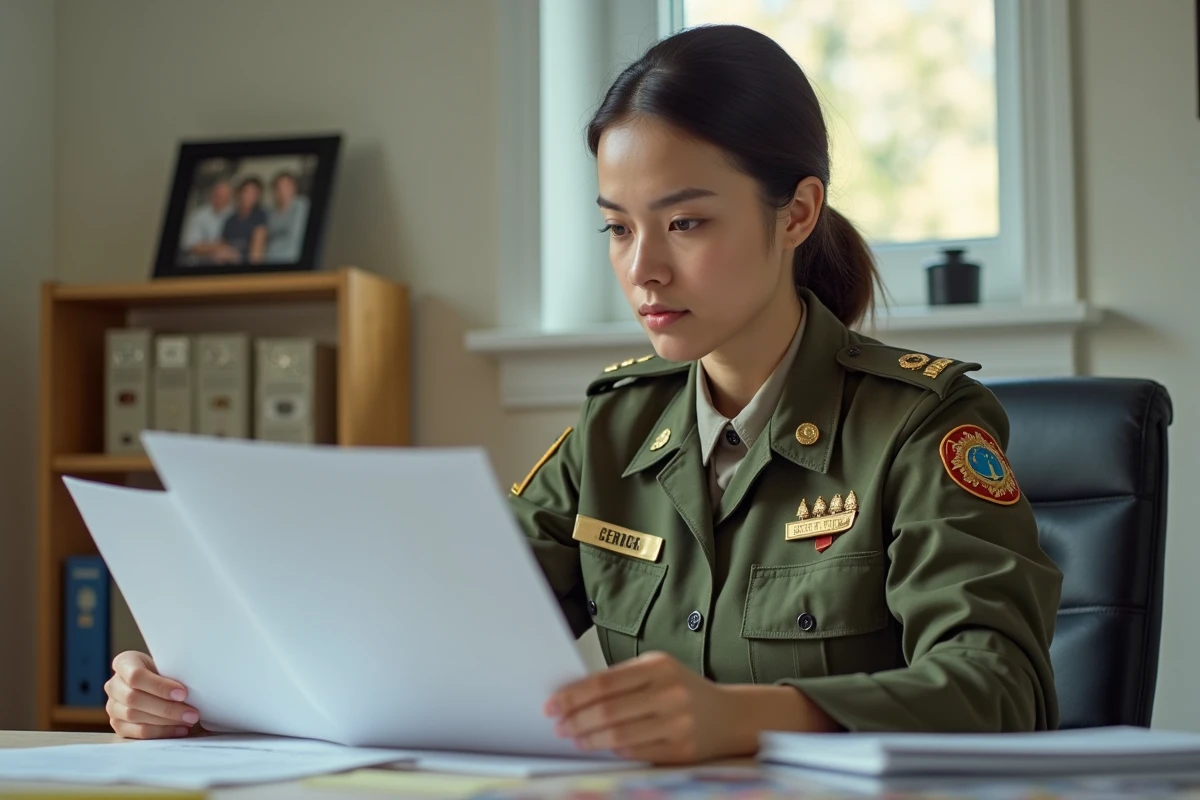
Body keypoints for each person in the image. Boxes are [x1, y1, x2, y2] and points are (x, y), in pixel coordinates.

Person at [102, 24, 1062, 764]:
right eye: (617, 228)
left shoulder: (919, 425)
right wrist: (197, 691)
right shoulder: (618, 427)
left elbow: (1001, 688)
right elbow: (430, 634)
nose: (643, 270)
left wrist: (748, 717)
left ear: (797, 213)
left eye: (685, 223)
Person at [178, 179, 234, 265]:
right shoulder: (198, 216)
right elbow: (191, 245)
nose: (220, 198)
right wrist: (219, 247)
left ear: (230, 197)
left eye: (224, 196)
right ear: (212, 195)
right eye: (218, 195)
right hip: (199, 263)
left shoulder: (235, 215)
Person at [218, 177, 269, 264]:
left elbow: (256, 255)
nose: (249, 197)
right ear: (239, 194)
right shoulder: (230, 220)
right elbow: (222, 246)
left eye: (254, 193)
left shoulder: (260, 217)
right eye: (247, 192)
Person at [264, 170, 310, 263]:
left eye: (286, 186)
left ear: (294, 187)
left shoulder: (301, 205)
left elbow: (297, 238)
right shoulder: (271, 213)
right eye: (279, 188)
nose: (282, 191)